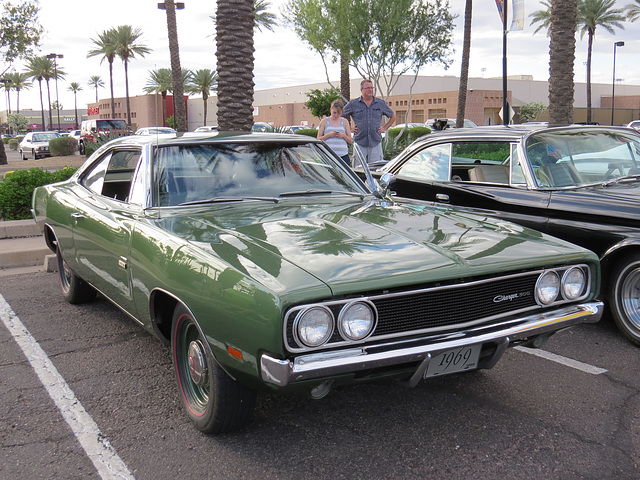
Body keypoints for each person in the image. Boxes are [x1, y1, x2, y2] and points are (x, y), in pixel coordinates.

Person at [342, 79, 396, 164]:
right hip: (360, 142)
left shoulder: (380, 103)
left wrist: (384, 128)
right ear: (361, 90)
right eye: (367, 88)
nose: (370, 90)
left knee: (376, 170)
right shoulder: (353, 104)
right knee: (359, 170)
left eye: (371, 88)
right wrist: (349, 129)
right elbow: (341, 115)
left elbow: (392, 116)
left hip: (375, 142)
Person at [317, 101, 352, 166]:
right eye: (334, 113)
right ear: (331, 110)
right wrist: (328, 135)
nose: (336, 115)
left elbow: (350, 140)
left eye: (339, 113)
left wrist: (343, 135)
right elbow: (318, 138)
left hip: (343, 154)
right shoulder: (324, 121)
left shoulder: (344, 121)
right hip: (329, 154)